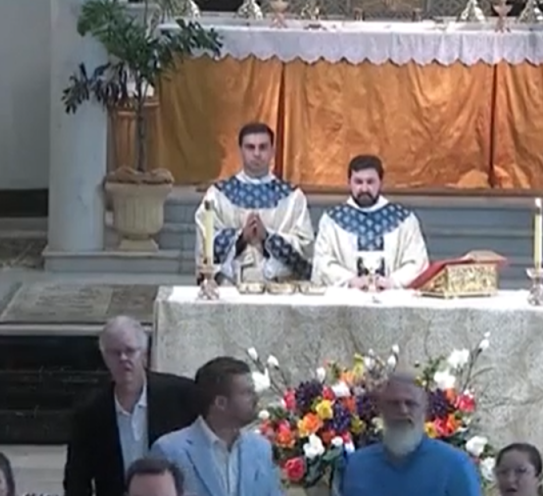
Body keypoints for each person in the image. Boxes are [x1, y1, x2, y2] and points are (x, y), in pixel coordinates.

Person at [64, 316, 204, 496]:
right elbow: (76, 477)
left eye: (130, 351)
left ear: (144, 354)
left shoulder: (179, 395)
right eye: (115, 352)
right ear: (104, 357)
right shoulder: (90, 411)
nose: (123, 359)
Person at [194, 122, 314, 283]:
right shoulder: (218, 194)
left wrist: (268, 238)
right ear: (241, 150)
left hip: (279, 287)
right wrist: (241, 237)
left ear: (272, 151)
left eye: (263, 147)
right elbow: (205, 244)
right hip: (230, 286)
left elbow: (305, 247)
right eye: (250, 147)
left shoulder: (292, 197)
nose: (257, 154)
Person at [150, 356, 283, 496]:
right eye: (246, 393)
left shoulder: (261, 449)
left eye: (253, 391)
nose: (255, 398)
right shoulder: (169, 451)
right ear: (220, 403)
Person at [340, 371, 481, 496]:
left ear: (425, 410)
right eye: (394, 403)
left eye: (411, 403)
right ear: (381, 409)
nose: (403, 410)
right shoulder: (358, 466)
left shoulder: (455, 466)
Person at [312, 155, 429, 289]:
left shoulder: (403, 219)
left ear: (381, 182)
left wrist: (392, 282)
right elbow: (322, 261)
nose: (364, 189)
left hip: (392, 300)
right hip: (345, 302)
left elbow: (417, 262)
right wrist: (350, 280)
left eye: (370, 182)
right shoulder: (332, 220)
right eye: (358, 182)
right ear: (349, 182)